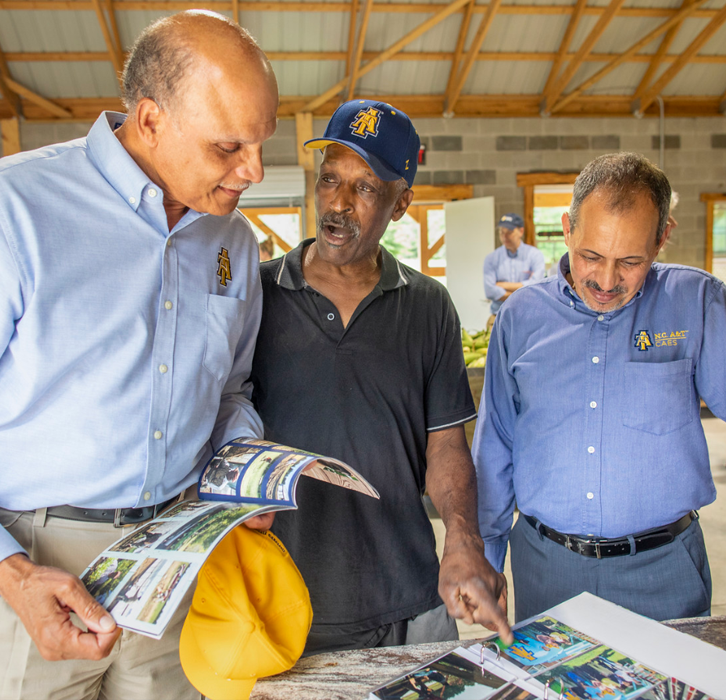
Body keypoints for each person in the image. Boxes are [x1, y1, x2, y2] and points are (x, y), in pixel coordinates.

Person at [0, 11, 277, 699]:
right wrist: (7, 572)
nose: (254, 171)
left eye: (261, 143)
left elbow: (230, 392)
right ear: (150, 120)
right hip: (21, 578)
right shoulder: (2, 212)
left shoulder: (233, 243)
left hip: (172, 579)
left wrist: (243, 466)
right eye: (229, 146)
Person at [250, 99, 512, 656]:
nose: (338, 204)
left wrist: (463, 542)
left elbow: (445, 444)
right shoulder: (256, 295)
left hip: (406, 601)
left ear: (401, 203)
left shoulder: (427, 306)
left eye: (365, 189)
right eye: (329, 181)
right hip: (273, 601)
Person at [474, 152, 724, 623]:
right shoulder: (520, 318)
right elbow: (496, 446)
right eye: (591, 256)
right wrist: (487, 555)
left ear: (662, 237)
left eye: (630, 261)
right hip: (548, 569)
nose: (607, 281)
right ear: (567, 229)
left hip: (665, 570)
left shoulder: (696, 303)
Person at [483, 213, 545, 327]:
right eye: (501, 232)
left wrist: (503, 285)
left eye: (509, 232)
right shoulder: (491, 259)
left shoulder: (535, 255)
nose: (504, 236)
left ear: (521, 231)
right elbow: (490, 291)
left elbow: (537, 286)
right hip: (498, 318)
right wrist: (523, 292)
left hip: (529, 318)